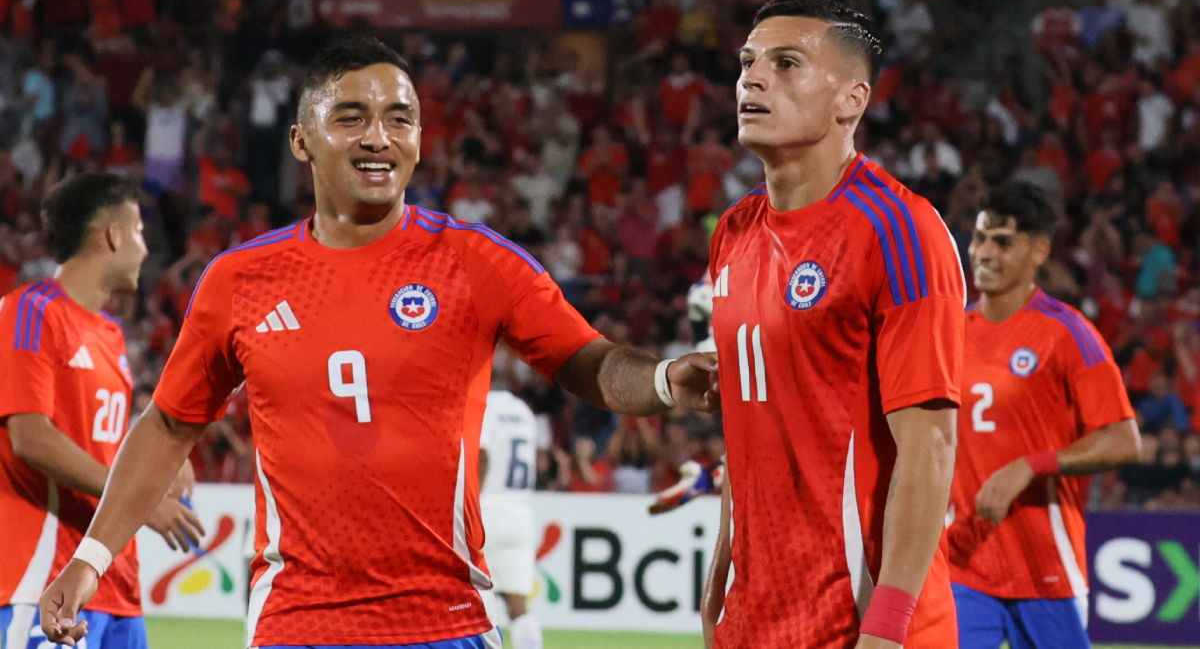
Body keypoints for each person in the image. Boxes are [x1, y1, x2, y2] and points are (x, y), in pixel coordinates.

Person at [39, 36, 718, 649]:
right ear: (302, 140)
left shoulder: (477, 261)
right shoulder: (238, 280)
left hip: (445, 620)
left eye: (400, 118)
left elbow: (589, 362)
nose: (379, 137)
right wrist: (90, 559)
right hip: (296, 624)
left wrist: (663, 381)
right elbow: (168, 424)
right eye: (351, 117)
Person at [701, 0, 966, 649]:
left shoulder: (898, 230)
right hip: (755, 618)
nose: (753, 79)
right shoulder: (733, 232)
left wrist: (889, 627)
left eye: (786, 63)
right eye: (748, 62)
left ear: (852, 100)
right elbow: (747, 423)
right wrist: (720, 572)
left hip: (860, 623)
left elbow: (929, 448)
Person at [0, 173, 201, 649]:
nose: (145, 250)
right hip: (42, 579)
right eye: (139, 233)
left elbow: (98, 435)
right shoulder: (30, 311)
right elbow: (30, 436)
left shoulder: (110, 334)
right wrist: (140, 501)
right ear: (112, 234)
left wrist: (159, 458)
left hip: (114, 583)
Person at [947, 182, 1140, 649]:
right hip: (962, 561)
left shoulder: (1067, 334)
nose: (984, 253)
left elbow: (1124, 441)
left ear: (1039, 251)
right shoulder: (948, 333)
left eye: (1002, 242)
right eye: (980, 238)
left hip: (1045, 569)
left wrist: (1030, 466)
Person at [477, 385, 541, 649]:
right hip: (520, 515)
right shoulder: (523, 411)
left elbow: (482, 456)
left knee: (470, 601)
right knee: (518, 606)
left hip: (486, 512)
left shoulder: (483, 406)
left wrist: (469, 504)